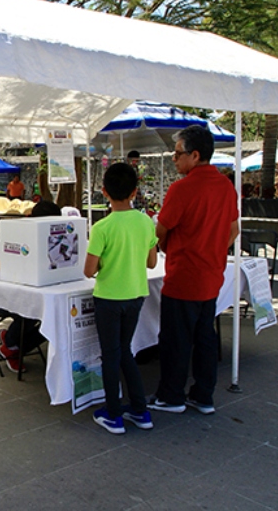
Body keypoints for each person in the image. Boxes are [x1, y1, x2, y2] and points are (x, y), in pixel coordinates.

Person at [148, 125, 239, 415]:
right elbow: (234, 230)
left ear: (195, 155)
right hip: (211, 276)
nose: (174, 159)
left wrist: (165, 245)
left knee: (176, 339)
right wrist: (212, 249)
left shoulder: (182, 189)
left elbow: (160, 230)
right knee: (205, 338)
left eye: (177, 154)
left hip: (184, 276)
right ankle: (203, 395)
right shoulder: (226, 186)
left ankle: (171, 396)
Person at [84, 162, 158, 434]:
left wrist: (107, 260)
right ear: (135, 192)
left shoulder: (102, 227)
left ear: (104, 192)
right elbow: (151, 262)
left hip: (108, 298)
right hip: (136, 296)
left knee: (111, 355)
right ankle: (140, 409)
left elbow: (89, 270)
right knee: (125, 350)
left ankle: (113, 414)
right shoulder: (146, 222)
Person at [0, 201, 62, 373]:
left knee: (55, 317)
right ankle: (12, 346)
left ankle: (13, 342)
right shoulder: (18, 234)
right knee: (34, 312)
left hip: (37, 286)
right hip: (5, 291)